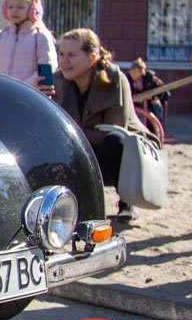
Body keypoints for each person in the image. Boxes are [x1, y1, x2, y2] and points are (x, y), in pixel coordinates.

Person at [51, 28, 153, 223]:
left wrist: (70, 134)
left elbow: (115, 129)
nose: (63, 60)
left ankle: (127, 202)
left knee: (114, 142)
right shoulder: (58, 80)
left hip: (128, 151)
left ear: (92, 58)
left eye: (71, 55)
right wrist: (43, 97)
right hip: (84, 145)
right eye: (61, 54)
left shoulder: (115, 79)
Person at [0, 0, 56, 89]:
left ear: (33, 9)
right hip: (3, 93)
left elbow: (47, 67)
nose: (14, 11)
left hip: (30, 95)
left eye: (20, 7)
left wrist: (23, 87)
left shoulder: (41, 36)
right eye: (10, 7)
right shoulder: (0, 37)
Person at [127, 57, 168, 130]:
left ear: (141, 72)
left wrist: (153, 97)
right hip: (136, 102)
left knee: (155, 108)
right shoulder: (128, 78)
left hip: (150, 102)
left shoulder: (149, 77)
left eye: (136, 73)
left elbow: (163, 91)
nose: (133, 75)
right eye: (132, 72)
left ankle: (156, 130)